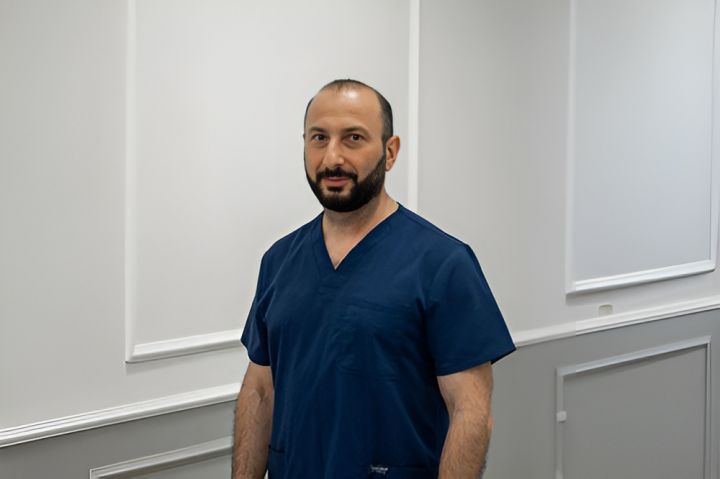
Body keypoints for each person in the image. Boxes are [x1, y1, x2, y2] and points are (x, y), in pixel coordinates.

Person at [232, 79, 516, 479]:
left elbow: (470, 412)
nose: (332, 157)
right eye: (319, 138)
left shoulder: (443, 264)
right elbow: (261, 390)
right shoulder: (279, 261)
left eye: (353, 138)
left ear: (390, 151)